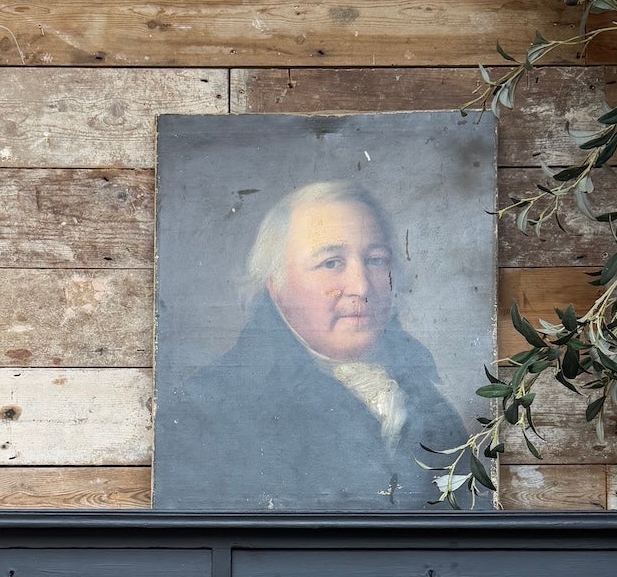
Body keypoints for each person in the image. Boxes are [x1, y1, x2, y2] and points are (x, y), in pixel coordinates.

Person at [156, 181, 474, 509]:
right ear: (275, 284)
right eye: (331, 263)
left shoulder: (431, 407)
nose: (361, 286)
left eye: (376, 260)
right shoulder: (200, 414)